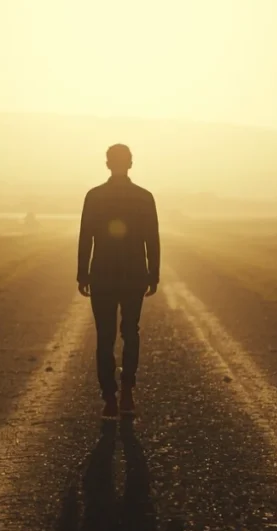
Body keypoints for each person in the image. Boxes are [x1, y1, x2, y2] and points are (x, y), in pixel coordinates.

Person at [77, 143, 160, 419]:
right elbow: (152, 238)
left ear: (107, 164)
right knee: (130, 332)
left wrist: (83, 273)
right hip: (134, 274)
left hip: (102, 274)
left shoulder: (94, 196)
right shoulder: (144, 197)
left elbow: (85, 236)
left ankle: (110, 398)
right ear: (131, 163)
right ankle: (127, 392)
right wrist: (153, 273)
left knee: (105, 336)